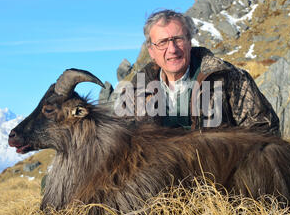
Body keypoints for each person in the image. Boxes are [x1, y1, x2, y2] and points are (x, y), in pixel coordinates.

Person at [116, 9, 280, 136]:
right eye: (163, 42)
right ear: (151, 51)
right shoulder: (133, 93)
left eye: (178, 39)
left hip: (221, 177)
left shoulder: (231, 79)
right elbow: (120, 148)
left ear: (189, 42)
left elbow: (265, 131)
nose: (172, 49)